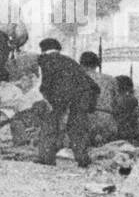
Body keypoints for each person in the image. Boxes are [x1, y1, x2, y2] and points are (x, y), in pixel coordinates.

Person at [35, 38, 99, 168]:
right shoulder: (69, 60)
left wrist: (48, 100)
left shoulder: (46, 60)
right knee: (77, 127)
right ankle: (82, 158)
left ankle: (46, 157)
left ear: (43, 50)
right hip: (86, 93)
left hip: (65, 94)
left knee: (50, 123)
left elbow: (47, 83)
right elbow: (92, 85)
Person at [79, 51, 118, 146]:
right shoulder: (111, 79)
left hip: (86, 119)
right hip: (107, 119)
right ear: (96, 64)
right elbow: (115, 101)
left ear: (81, 64)